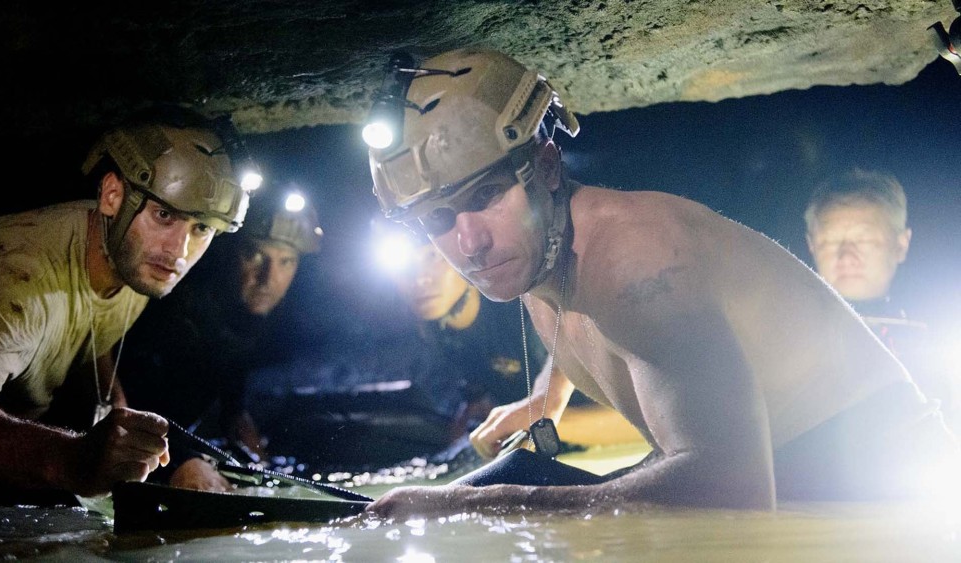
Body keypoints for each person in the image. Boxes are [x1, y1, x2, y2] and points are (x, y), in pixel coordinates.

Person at [362, 47, 960, 518]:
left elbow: (731, 488)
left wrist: (470, 504)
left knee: (483, 508)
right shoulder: (538, 250)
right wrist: (548, 396)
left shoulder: (639, 261)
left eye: (486, 196)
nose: (469, 243)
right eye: (437, 219)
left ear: (545, 167)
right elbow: (586, 314)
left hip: (872, 483)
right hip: (784, 473)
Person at [0, 106, 254, 504]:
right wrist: (69, 459)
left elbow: (90, 330)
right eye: (164, 214)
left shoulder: (133, 258)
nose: (179, 251)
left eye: (201, 228)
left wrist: (125, 419)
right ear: (113, 195)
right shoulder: (20, 280)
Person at [119, 188, 322, 492]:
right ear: (229, 252)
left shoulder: (255, 319)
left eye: (286, 262)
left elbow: (232, 400)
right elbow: (126, 404)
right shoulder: (179, 309)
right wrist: (183, 462)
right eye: (255, 255)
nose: (268, 277)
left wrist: (243, 431)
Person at [371, 215, 551, 446]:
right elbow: (486, 396)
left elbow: (608, 415)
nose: (420, 279)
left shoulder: (525, 310)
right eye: (402, 265)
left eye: (433, 256)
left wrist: (524, 426)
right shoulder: (436, 327)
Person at [804, 168, 958, 431]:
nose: (846, 257)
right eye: (830, 241)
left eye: (864, 240)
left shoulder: (939, 339)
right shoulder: (786, 335)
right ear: (811, 244)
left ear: (900, 245)